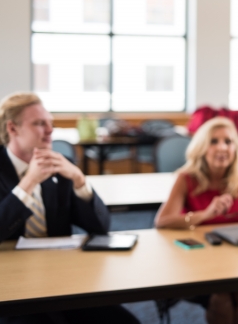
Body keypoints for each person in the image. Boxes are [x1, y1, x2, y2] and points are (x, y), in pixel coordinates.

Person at [0, 92, 138, 324]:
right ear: (12, 128)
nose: (50, 130)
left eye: (50, 123)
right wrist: (28, 183)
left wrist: (79, 180)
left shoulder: (61, 164)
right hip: (13, 289)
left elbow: (101, 226)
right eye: (39, 123)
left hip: (60, 279)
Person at [155, 117, 238, 324]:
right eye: (214, 141)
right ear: (202, 147)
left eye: (228, 141)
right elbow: (162, 221)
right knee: (222, 300)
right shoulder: (187, 178)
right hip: (199, 265)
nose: (222, 147)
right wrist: (205, 214)